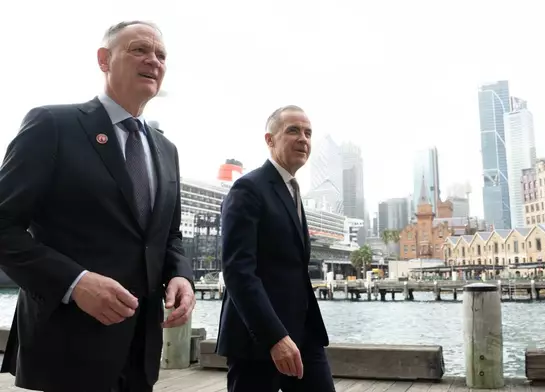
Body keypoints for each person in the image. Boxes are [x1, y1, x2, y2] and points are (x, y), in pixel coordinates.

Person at [0, 21, 195, 392]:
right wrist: (74, 283)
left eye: (161, 55)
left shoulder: (167, 151)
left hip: (140, 351)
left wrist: (182, 275)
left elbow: (168, 236)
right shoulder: (53, 124)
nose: (153, 60)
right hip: (67, 347)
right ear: (104, 59)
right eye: (139, 49)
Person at [216, 106, 335, 392]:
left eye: (308, 133)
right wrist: (274, 337)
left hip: (304, 334)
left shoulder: (291, 190)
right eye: (293, 130)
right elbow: (238, 271)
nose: (303, 139)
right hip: (258, 338)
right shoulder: (248, 188)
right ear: (270, 140)